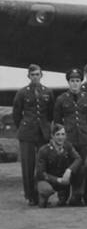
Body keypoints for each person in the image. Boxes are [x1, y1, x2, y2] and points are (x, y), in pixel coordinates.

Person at [13, 64, 54, 205]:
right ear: (28, 76)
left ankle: (41, 193)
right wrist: (23, 127)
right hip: (27, 133)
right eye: (32, 75)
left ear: (41, 75)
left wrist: (46, 127)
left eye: (37, 74)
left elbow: (49, 113)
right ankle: (30, 196)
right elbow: (16, 114)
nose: (35, 77)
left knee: (42, 165)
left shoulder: (48, 92)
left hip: (43, 133)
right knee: (28, 165)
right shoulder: (22, 93)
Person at [35, 123, 83, 208]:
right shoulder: (43, 150)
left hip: (64, 177)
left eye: (63, 134)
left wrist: (69, 170)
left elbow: (78, 159)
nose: (60, 137)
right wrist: (58, 180)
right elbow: (41, 173)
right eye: (57, 134)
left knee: (81, 169)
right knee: (46, 190)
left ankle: (74, 197)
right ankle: (43, 197)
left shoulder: (68, 146)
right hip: (49, 179)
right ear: (52, 136)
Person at [52, 68, 87, 159]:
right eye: (72, 81)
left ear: (81, 82)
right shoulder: (61, 99)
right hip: (69, 137)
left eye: (77, 81)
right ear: (68, 82)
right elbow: (57, 121)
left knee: (85, 166)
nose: (75, 83)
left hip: (85, 138)